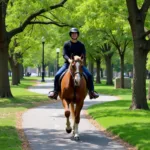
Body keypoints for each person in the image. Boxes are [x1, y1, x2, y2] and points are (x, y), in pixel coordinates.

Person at [48, 27, 99, 100]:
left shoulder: (81, 45)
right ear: (70, 35)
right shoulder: (66, 44)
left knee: (89, 75)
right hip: (68, 64)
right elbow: (64, 54)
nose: (74, 35)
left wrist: (80, 60)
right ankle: (55, 92)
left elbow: (83, 55)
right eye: (73, 34)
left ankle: (91, 92)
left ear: (77, 35)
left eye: (75, 33)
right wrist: (69, 60)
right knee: (57, 75)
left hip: (78, 64)